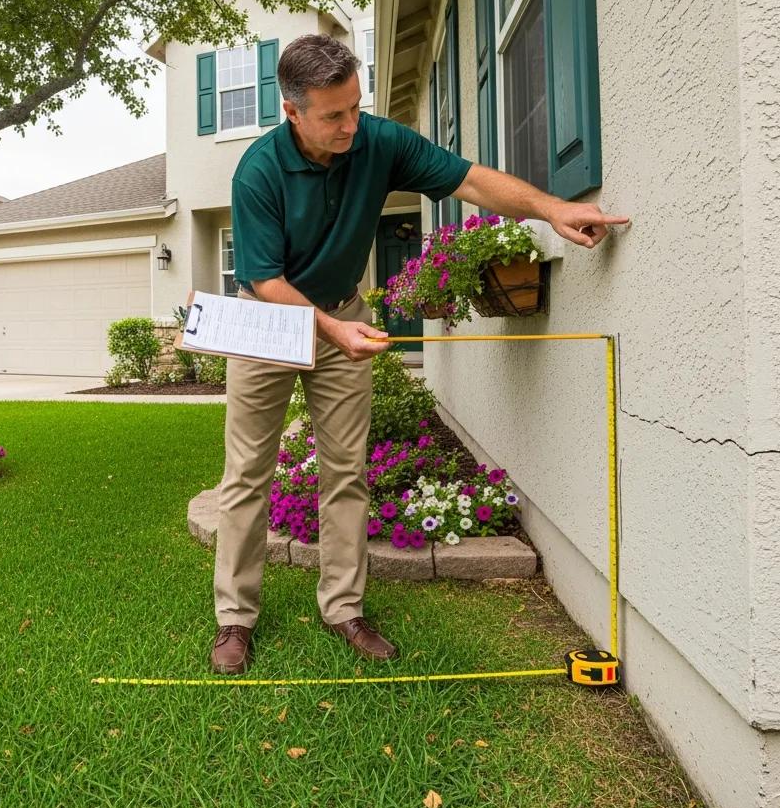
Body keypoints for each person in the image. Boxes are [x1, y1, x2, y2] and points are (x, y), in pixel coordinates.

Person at [210, 34, 629, 674]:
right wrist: (331, 331)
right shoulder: (258, 171)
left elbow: (470, 181)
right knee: (247, 475)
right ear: (292, 112)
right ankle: (235, 620)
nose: (352, 124)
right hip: (265, 320)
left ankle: (344, 607)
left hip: (343, 308)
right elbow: (266, 280)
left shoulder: (378, 141)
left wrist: (552, 209)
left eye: (355, 106)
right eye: (334, 115)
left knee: (345, 470)